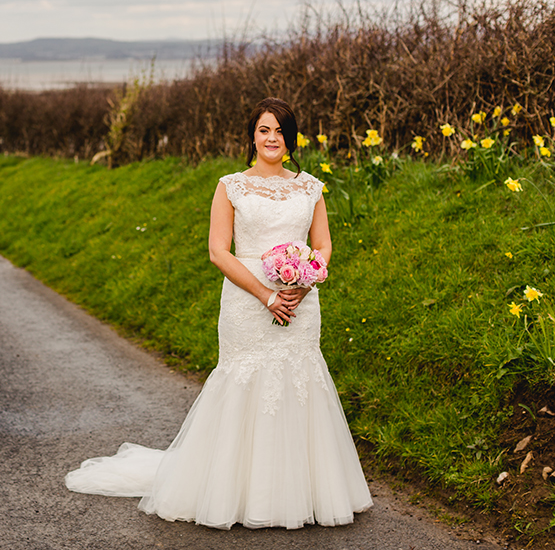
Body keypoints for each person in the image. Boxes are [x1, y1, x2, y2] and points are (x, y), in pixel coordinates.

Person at [65, 97, 372, 529]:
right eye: (265, 130)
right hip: (248, 302)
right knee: (246, 380)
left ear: (292, 137)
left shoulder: (311, 188)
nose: (272, 138)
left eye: (281, 131)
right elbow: (217, 251)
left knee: (300, 378)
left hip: (301, 301)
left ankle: (302, 490)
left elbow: (323, 244)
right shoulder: (231, 186)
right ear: (252, 135)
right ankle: (236, 490)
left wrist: (304, 282)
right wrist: (267, 295)